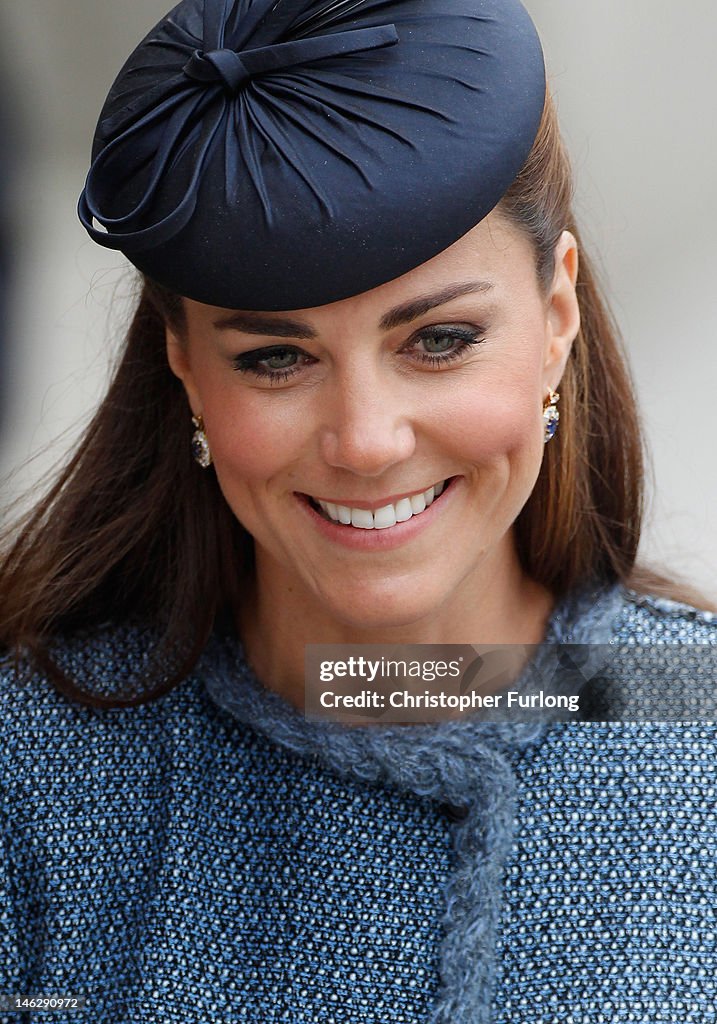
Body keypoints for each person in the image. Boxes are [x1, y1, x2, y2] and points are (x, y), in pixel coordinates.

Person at [1, 0, 715, 1020]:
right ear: (187, 369)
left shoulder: (697, 722)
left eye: (439, 340)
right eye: (277, 359)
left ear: (556, 317)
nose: (366, 440)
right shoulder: (32, 776)